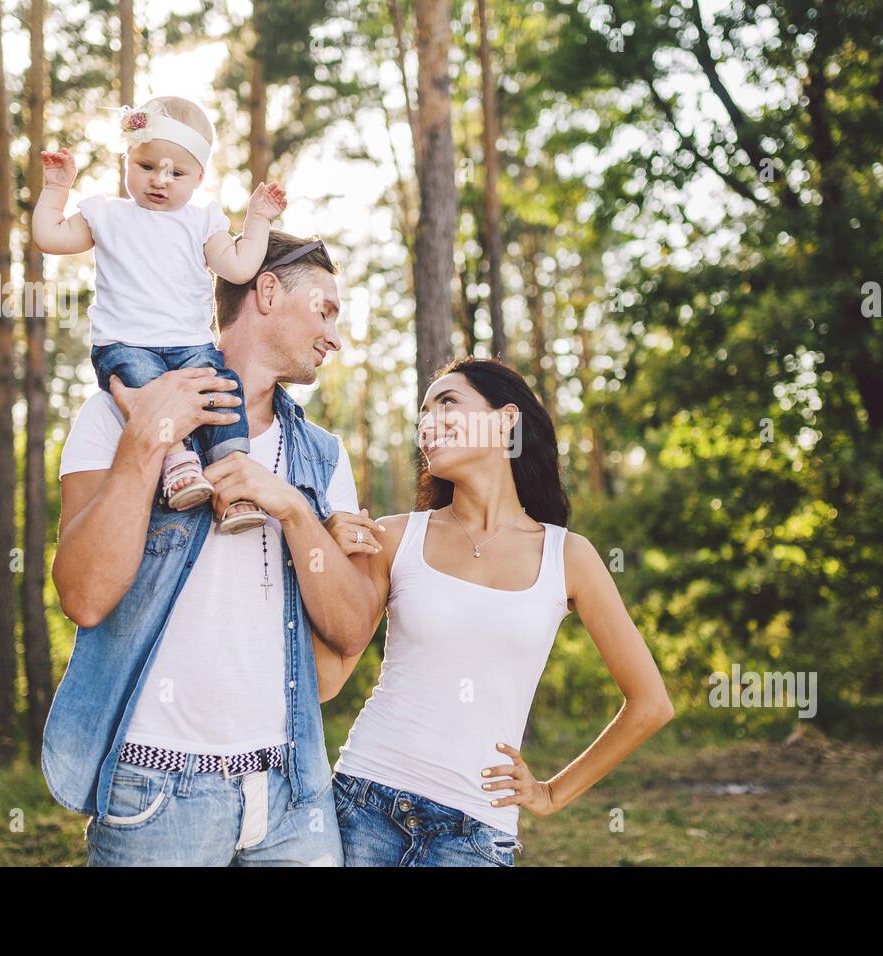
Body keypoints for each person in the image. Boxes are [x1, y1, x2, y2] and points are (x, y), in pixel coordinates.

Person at [42, 230, 380, 866]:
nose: (334, 336)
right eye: (325, 310)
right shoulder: (111, 417)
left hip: (291, 793)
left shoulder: (322, 457)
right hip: (155, 790)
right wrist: (148, 439)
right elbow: (83, 596)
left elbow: (352, 628)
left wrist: (292, 509)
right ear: (268, 291)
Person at [316, 357, 675, 866]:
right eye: (423, 414)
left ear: (506, 420)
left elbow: (651, 704)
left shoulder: (568, 557)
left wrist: (551, 794)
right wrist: (315, 553)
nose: (428, 423)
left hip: (475, 836)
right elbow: (326, 680)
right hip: (363, 804)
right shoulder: (394, 537)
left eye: (447, 402)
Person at [33, 94, 287, 533]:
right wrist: (57, 189)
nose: (159, 180)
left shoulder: (201, 221)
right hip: (125, 345)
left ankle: (235, 484)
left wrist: (258, 219)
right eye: (146, 166)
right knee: (148, 393)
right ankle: (177, 463)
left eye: (176, 173)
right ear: (127, 159)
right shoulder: (106, 214)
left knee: (223, 397)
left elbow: (240, 266)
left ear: (199, 177)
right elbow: (50, 237)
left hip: (191, 346)